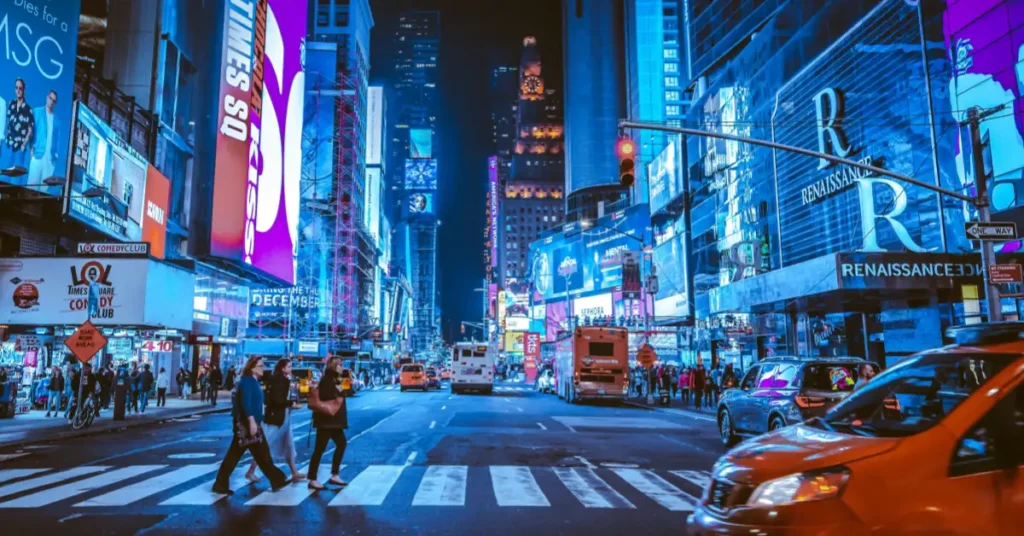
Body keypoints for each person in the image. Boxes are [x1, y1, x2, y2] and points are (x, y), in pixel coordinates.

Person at [211, 356, 288, 495]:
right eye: (260, 366)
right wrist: (251, 421)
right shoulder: (247, 382)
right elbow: (246, 402)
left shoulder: (252, 381)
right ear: (252, 368)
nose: (262, 368)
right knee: (257, 454)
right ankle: (277, 479)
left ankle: (277, 479)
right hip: (247, 424)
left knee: (257, 454)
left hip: (250, 423)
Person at [246, 359, 305, 484]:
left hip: (283, 417)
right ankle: (250, 472)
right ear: (283, 368)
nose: (291, 368)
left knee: (289, 445)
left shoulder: (277, 379)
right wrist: (291, 403)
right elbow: (277, 400)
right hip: (276, 418)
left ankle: (294, 472)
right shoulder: (281, 380)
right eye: (289, 366)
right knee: (264, 446)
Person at [308, 356, 349, 491]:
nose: (342, 367)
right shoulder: (327, 380)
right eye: (340, 365)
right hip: (326, 422)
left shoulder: (333, 379)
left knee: (341, 443)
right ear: (333, 366)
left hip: (333, 422)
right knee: (320, 449)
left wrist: (341, 388)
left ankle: (334, 475)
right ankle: (313, 479)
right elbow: (327, 396)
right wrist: (340, 390)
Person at [27, 90, 60, 185]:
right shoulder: (37, 112)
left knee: (43, 190)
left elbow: (57, 138)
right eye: (50, 98)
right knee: (31, 186)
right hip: (38, 155)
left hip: (50, 159)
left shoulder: (57, 120)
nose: (51, 102)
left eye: (54, 101)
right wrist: (32, 149)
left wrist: (55, 155)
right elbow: (31, 131)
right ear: (47, 98)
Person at [2, 78, 33, 173]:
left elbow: (30, 131)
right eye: (16, 88)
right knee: (5, 173)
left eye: (20, 88)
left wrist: (24, 144)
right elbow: (8, 123)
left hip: (20, 148)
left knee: (17, 176)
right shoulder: (11, 104)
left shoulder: (28, 109)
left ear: (23, 90)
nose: (18, 90)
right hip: (9, 145)